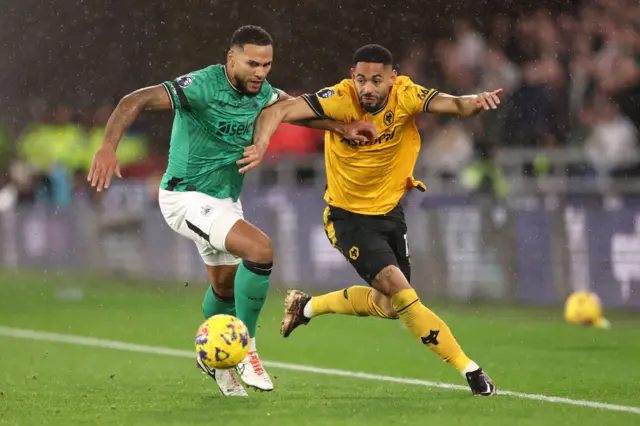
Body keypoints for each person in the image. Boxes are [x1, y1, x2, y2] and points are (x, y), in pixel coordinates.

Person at [87, 26, 376, 397]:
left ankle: (215, 360)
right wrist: (108, 146)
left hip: (223, 200)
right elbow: (135, 99)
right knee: (260, 250)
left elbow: (295, 112)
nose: (260, 72)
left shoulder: (265, 93)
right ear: (231, 59)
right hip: (184, 196)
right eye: (253, 63)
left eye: (267, 64)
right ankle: (247, 351)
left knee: (224, 288)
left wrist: (342, 127)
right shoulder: (202, 86)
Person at [247, 44, 502, 396]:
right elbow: (283, 109)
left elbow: (456, 104)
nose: (368, 88)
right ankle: (470, 370)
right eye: (362, 79)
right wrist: (262, 143)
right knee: (402, 292)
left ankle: (306, 306)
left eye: (377, 80)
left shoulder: (407, 95)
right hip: (348, 218)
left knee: (390, 307)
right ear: (353, 77)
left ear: (392, 79)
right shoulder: (340, 97)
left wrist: (476, 101)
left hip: (390, 215)